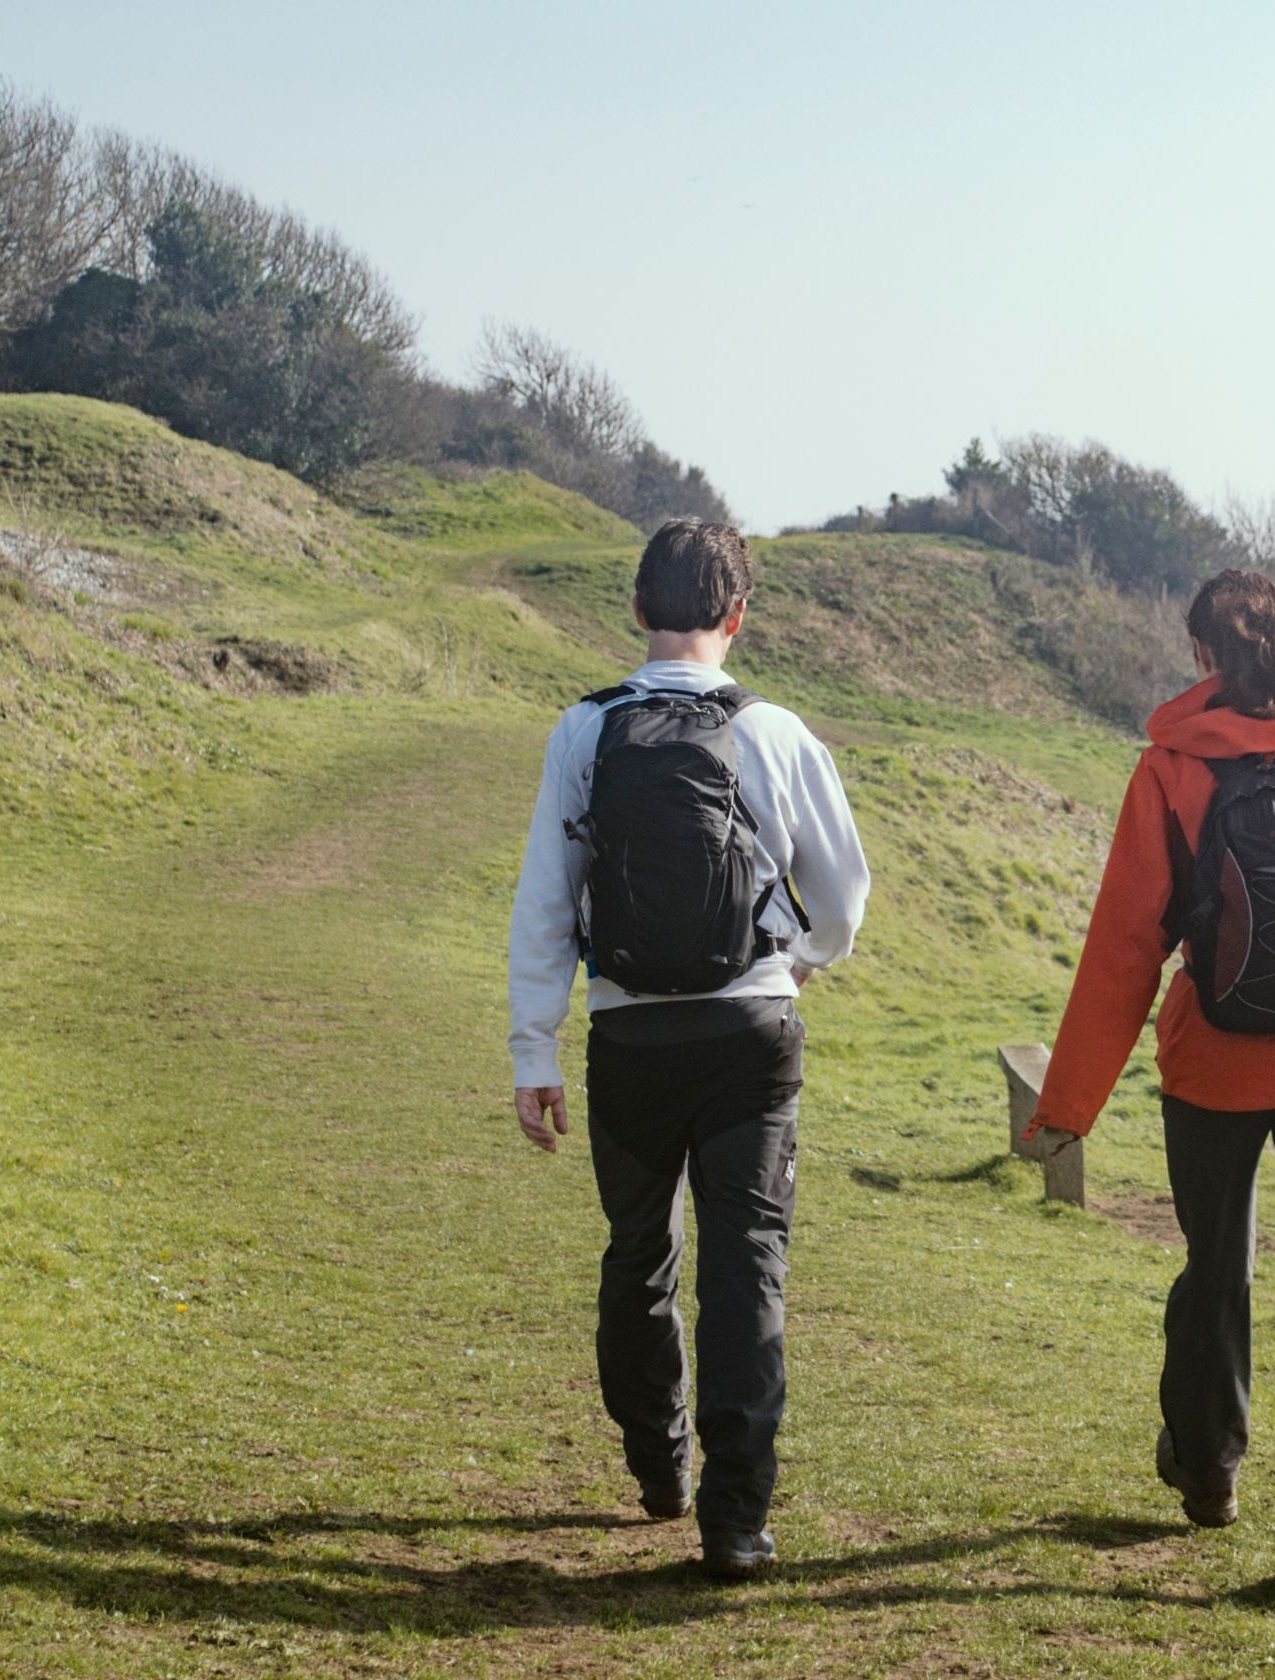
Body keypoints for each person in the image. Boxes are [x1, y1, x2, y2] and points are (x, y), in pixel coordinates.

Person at [1023, 567, 1275, 1601]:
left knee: (1216, 1264)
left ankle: (1205, 1471)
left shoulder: (1169, 772)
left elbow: (1122, 951)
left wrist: (1065, 1110)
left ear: (1202, 657)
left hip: (1212, 1061)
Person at [507, 518, 870, 1581]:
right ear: (737, 616)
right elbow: (844, 894)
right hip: (749, 1030)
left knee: (638, 1255)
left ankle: (657, 1464)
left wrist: (536, 1050)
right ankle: (738, 1521)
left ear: (636, 610)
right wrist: (800, 957)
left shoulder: (583, 732)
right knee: (747, 1265)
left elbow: (545, 904)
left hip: (627, 1032)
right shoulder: (776, 732)